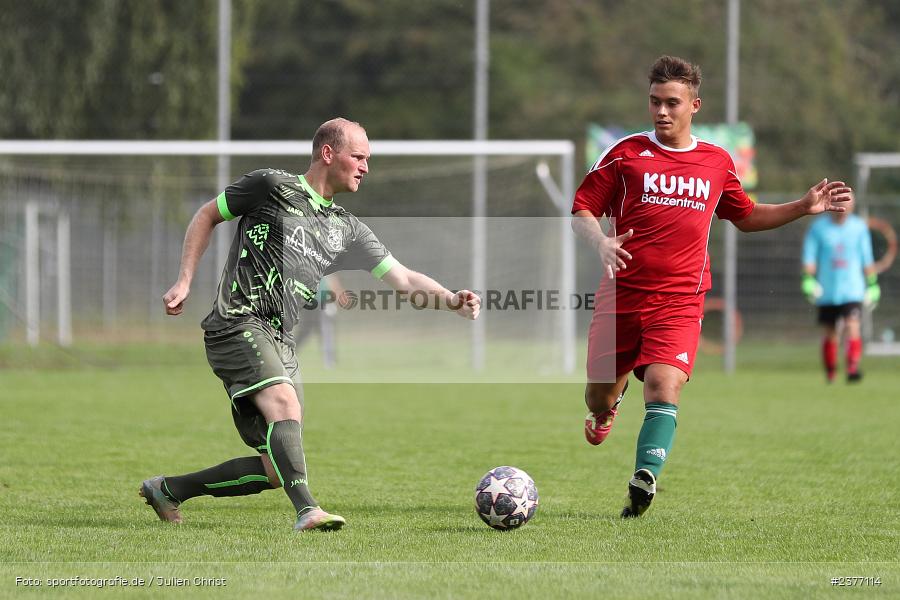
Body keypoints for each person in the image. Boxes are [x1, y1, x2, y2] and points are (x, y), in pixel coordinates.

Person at [140, 118, 481, 532]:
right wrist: (185, 279)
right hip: (238, 322)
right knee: (284, 404)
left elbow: (405, 279)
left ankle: (169, 489)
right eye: (358, 157)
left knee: (274, 468)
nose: (365, 167)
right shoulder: (270, 185)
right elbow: (207, 215)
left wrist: (449, 299)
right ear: (327, 153)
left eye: (368, 159)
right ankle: (308, 511)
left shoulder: (347, 228)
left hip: (282, 340)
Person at [571, 56, 852, 518]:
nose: (661, 112)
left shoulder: (717, 162)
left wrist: (801, 206)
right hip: (620, 297)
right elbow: (582, 208)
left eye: (672, 103)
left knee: (664, 385)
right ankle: (606, 407)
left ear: (694, 105)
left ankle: (645, 477)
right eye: (655, 102)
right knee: (597, 396)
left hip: (681, 299)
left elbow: (744, 216)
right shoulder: (625, 155)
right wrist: (599, 240)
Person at [802, 192, 879, 383]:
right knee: (831, 332)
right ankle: (831, 371)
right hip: (827, 291)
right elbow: (810, 257)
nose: (844, 209)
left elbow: (866, 258)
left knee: (853, 326)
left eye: (848, 204)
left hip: (852, 289)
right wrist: (808, 280)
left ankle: (852, 368)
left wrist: (872, 284)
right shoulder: (818, 229)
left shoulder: (859, 228)